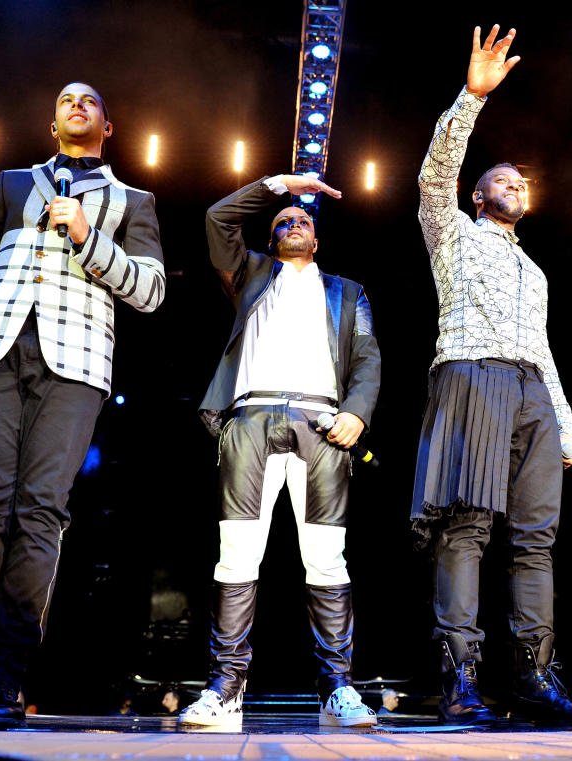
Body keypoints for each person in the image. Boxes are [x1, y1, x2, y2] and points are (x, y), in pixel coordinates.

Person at [0, 82, 165, 729]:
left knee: (40, 511)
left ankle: (3, 677)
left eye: (90, 100)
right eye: (66, 99)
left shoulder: (134, 201)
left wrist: (88, 235)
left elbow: (151, 290)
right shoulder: (12, 183)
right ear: (52, 124)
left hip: (76, 366)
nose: (76, 104)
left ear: (107, 125)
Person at [410, 25, 572, 726]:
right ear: (476, 197)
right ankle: (459, 677)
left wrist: (565, 418)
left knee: (536, 539)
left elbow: (544, 345)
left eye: (520, 180)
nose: (513, 183)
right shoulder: (454, 234)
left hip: (532, 393)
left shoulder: (535, 268)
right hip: (472, 376)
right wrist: (472, 97)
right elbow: (435, 173)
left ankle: (534, 676)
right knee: (466, 529)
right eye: (499, 179)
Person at [180, 174, 380, 729]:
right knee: (236, 555)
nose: (293, 224)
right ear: (271, 241)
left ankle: (338, 688)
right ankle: (225, 687)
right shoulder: (249, 274)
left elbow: (366, 358)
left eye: (303, 221)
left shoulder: (347, 290)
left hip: (323, 426)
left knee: (326, 558)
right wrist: (275, 187)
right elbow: (218, 218)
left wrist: (357, 412)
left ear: (316, 240)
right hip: (250, 418)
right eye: (282, 223)